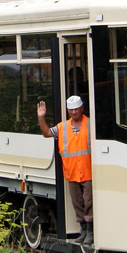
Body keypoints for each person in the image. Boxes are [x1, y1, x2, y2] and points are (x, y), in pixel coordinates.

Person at [37, 95, 93, 245]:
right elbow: (46, 133)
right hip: (72, 172)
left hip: (89, 171)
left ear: (82, 108)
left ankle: (90, 230)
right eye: (71, 110)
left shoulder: (90, 125)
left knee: (89, 202)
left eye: (76, 109)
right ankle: (83, 229)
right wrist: (41, 118)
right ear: (68, 111)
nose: (74, 112)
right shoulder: (62, 127)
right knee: (77, 202)